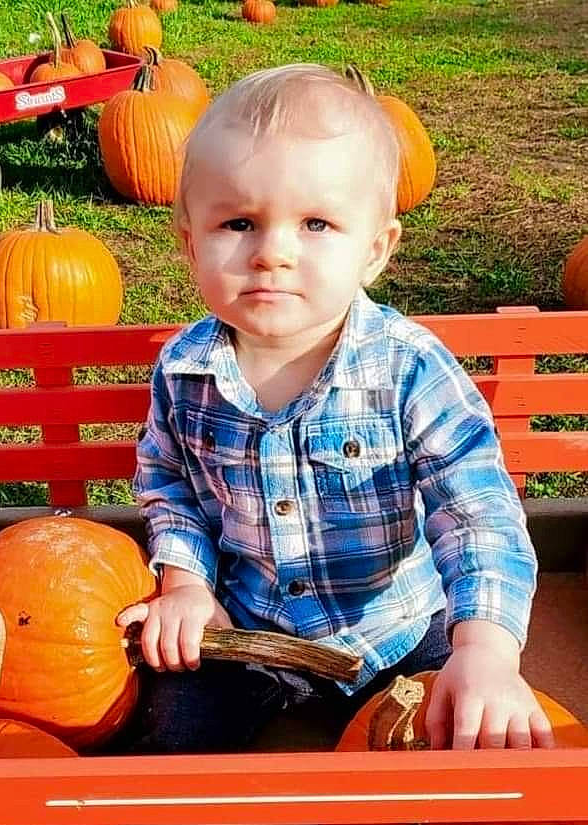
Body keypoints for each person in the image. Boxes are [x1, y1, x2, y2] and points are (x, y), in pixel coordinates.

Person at [116, 63, 554, 755]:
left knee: (464, 744)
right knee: (169, 754)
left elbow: (476, 513)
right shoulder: (185, 371)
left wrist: (487, 651)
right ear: (191, 243)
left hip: (398, 633)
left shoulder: (408, 369)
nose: (274, 254)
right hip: (246, 629)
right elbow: (173, 491)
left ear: (375, 249)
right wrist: (187, 584)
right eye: (238, 222)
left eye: (316, 223)